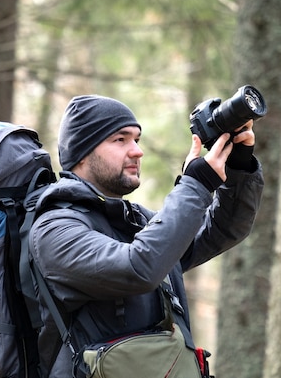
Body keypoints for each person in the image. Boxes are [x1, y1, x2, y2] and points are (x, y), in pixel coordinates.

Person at [30, 94, 264, 377]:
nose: (137, 151)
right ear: (82, 152)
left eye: (137, 140)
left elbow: (223, 229)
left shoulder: (134, 219)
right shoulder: (56, 228)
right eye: (120, 139)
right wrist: (196, 184)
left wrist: (238, 166)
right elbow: (137, 268)